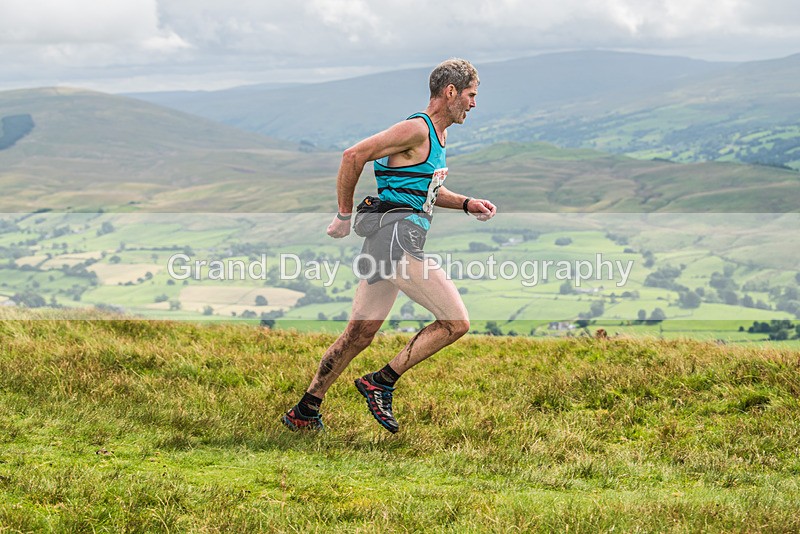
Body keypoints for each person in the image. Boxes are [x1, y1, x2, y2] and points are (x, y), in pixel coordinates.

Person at [281, 58, 496, 433]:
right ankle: (381, 381)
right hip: (398, 242)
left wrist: (464, 203)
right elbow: (353, 155)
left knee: (358, 335)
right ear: (450, 92)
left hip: (386, 241)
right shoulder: (416, 128)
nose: (474, 104)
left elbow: (422, 191)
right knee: (455, 322)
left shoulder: (436, 137)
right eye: (471, 95)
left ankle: (305, 410)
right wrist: (344, 215)